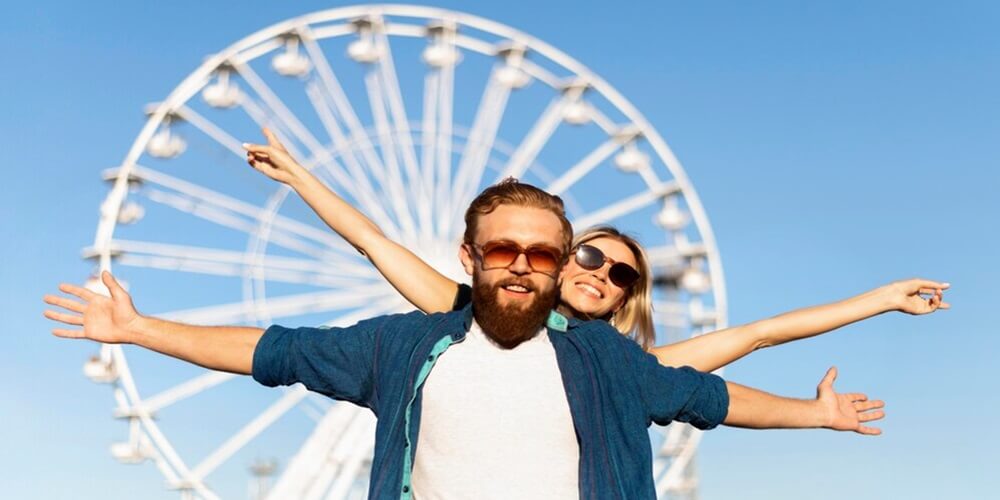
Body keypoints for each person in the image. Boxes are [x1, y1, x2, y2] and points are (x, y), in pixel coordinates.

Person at [46, 180, 889, 499]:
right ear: (470, 258)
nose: (529, 264)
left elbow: (722, 386)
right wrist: (140, 329)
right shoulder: (412, 341)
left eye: (549, 254)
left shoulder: (616, 365)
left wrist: (819, 407)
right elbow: (279, 348)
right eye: (507, 250)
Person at [242, 129, 950, 372]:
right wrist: (301, 177)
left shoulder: (627, 367)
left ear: (623, 299)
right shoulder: (464, 311)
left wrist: (882, 299)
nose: (602, 273)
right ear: (555, 261)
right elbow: (374, 243)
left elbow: (762, 333)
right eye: (588, 256)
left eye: (620, 275)